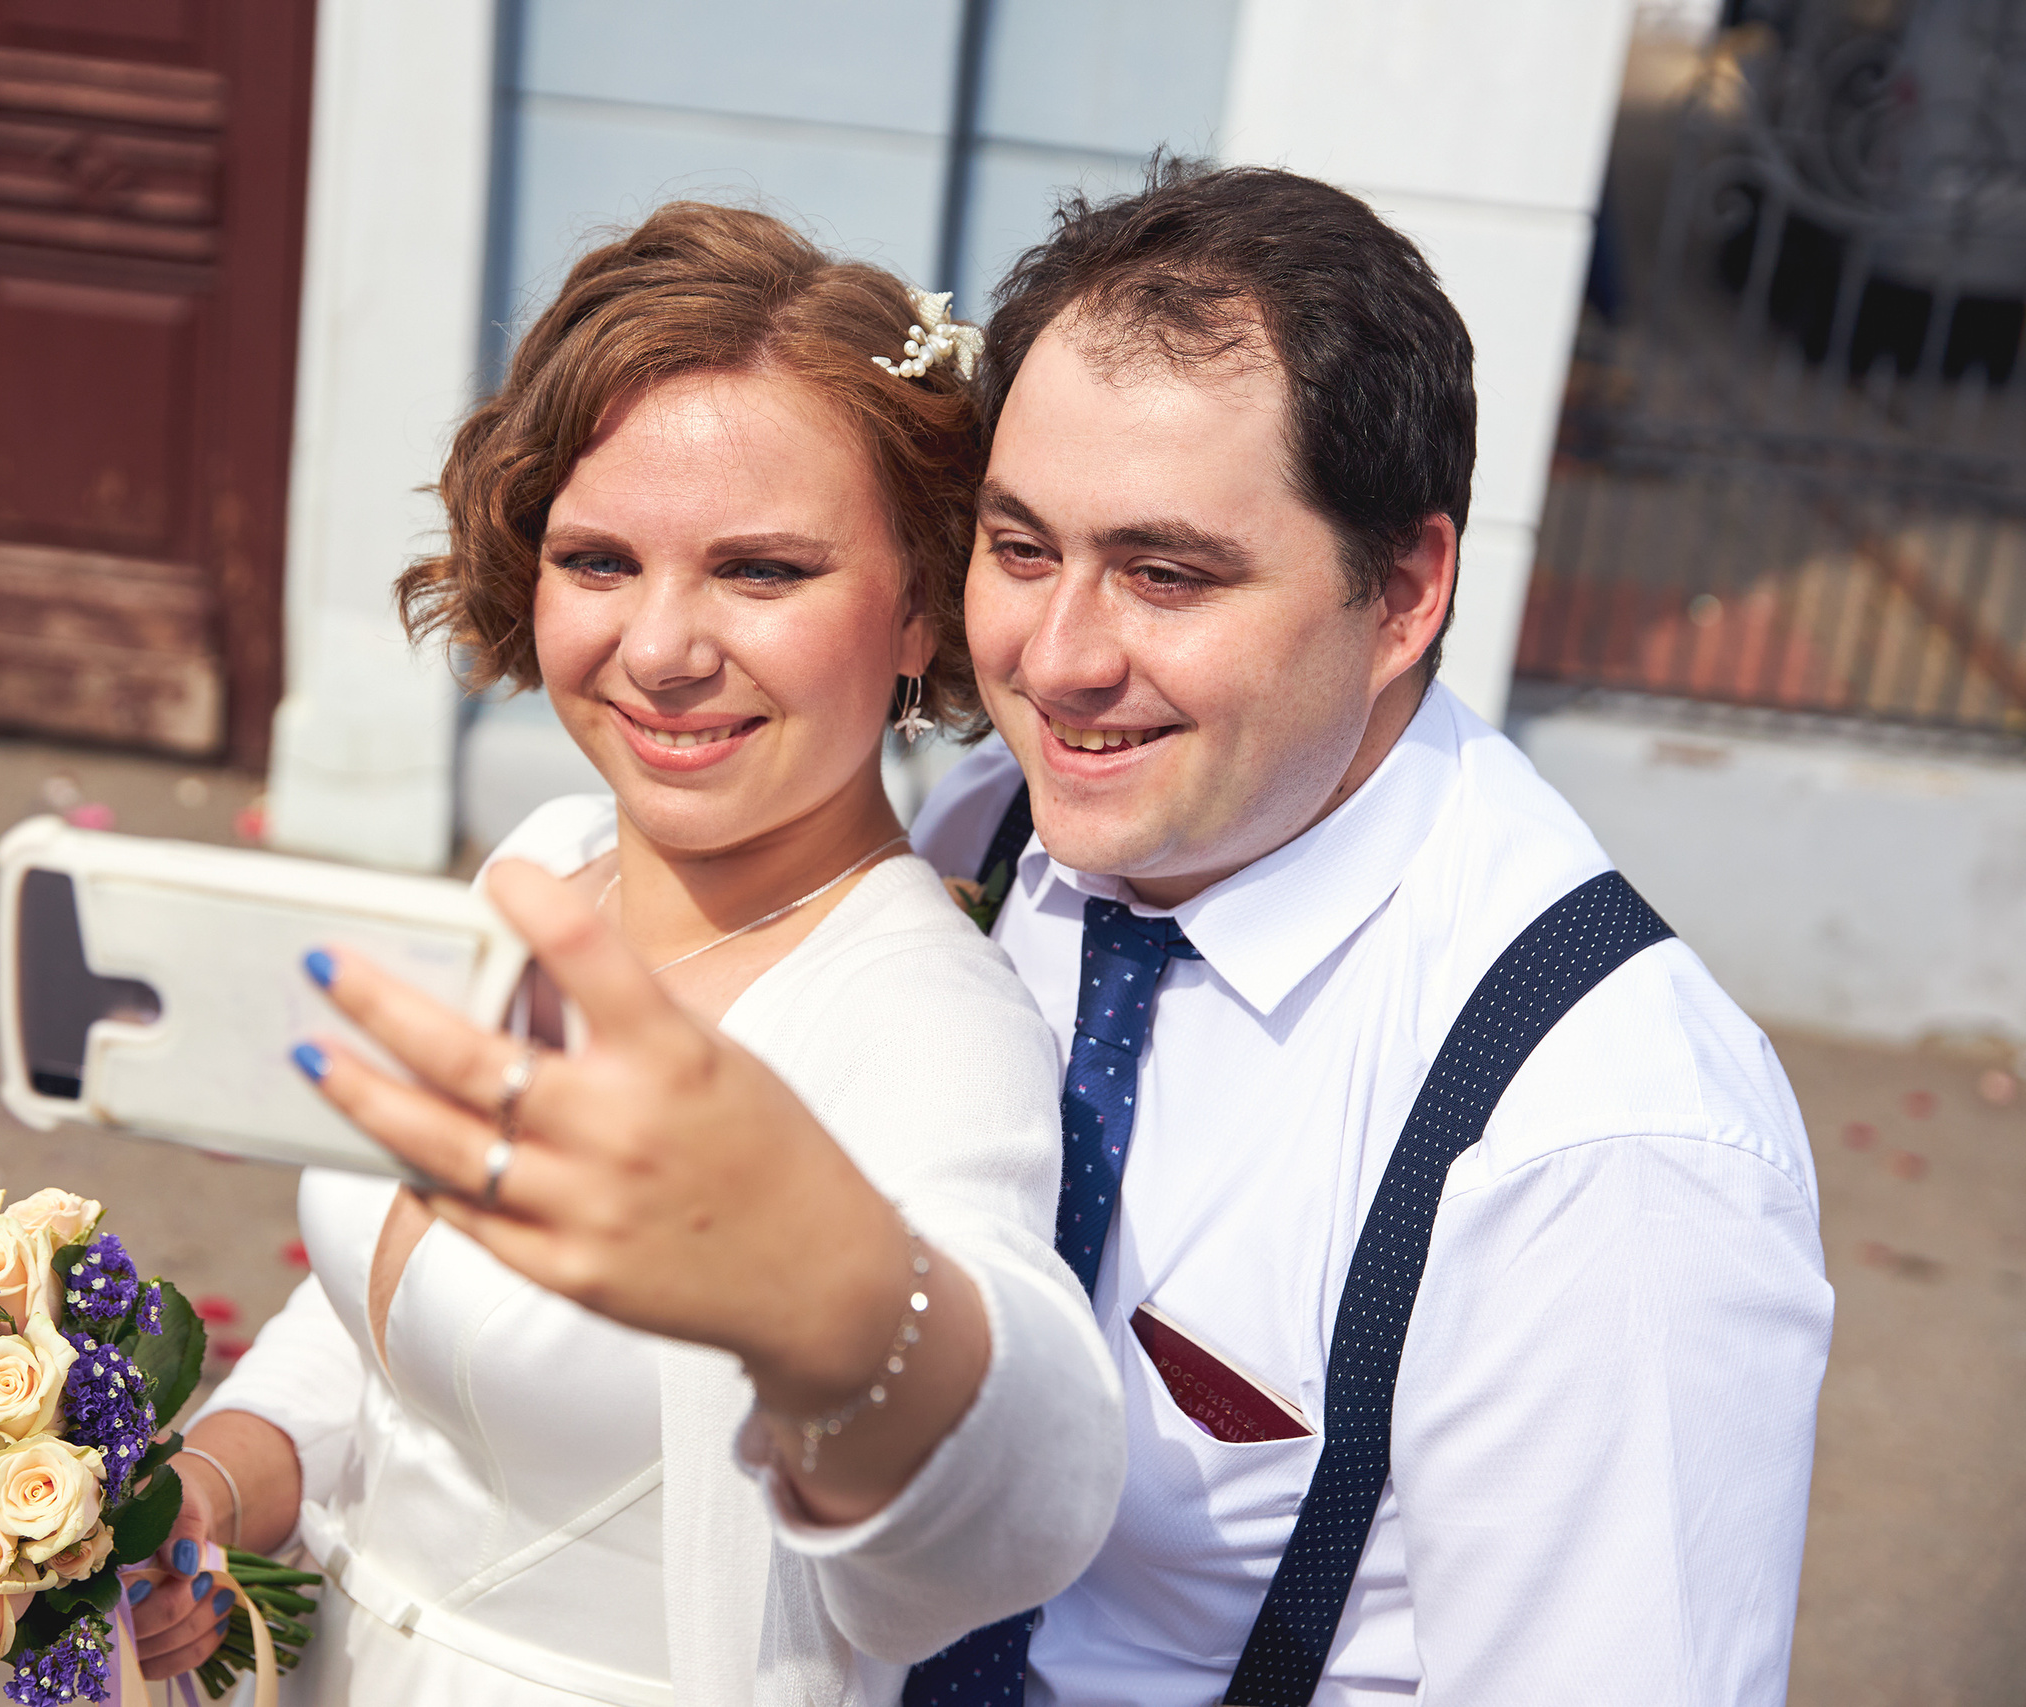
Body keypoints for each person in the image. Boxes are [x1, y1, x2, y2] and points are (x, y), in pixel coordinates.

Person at [292, 160, 1834, 1705]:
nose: (1058, 660)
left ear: (1406, 592)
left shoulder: (1600, 1136)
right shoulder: (989, 825)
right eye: (1022, 549)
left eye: (1167, 574)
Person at [129, 203, 1125, 1705]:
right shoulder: (539, 864)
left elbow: (983, 1522)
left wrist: (843, 1305)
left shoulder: (927, 1023)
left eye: (762, 571)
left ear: (925, 602)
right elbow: (376, 1336)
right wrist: (213, 1485)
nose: (659, 649)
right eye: (597, 559)